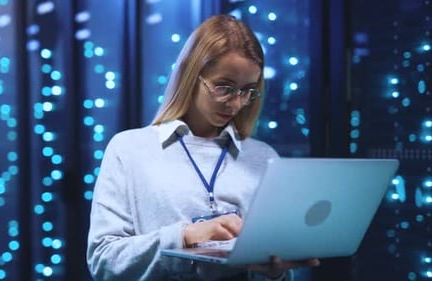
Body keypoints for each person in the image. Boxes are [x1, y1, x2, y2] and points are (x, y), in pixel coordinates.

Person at [87, 14, 320, 281]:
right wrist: (186, 236)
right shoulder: (129, 149)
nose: (235, 103)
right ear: (191, 75)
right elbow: (103, 261)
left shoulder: (264, 158)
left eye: (247, 91)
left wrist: (276, 273)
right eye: (224, 87)